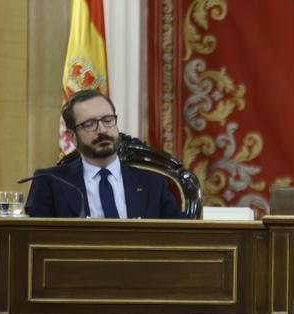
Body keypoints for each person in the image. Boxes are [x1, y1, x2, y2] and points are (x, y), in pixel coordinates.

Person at [25, 89, 184, 219]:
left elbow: (181, 237)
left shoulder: (153, 185)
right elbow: (33, 242)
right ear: (72, 136)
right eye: (89, 124)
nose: (102, 130)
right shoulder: (50, 183)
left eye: (108, 120)